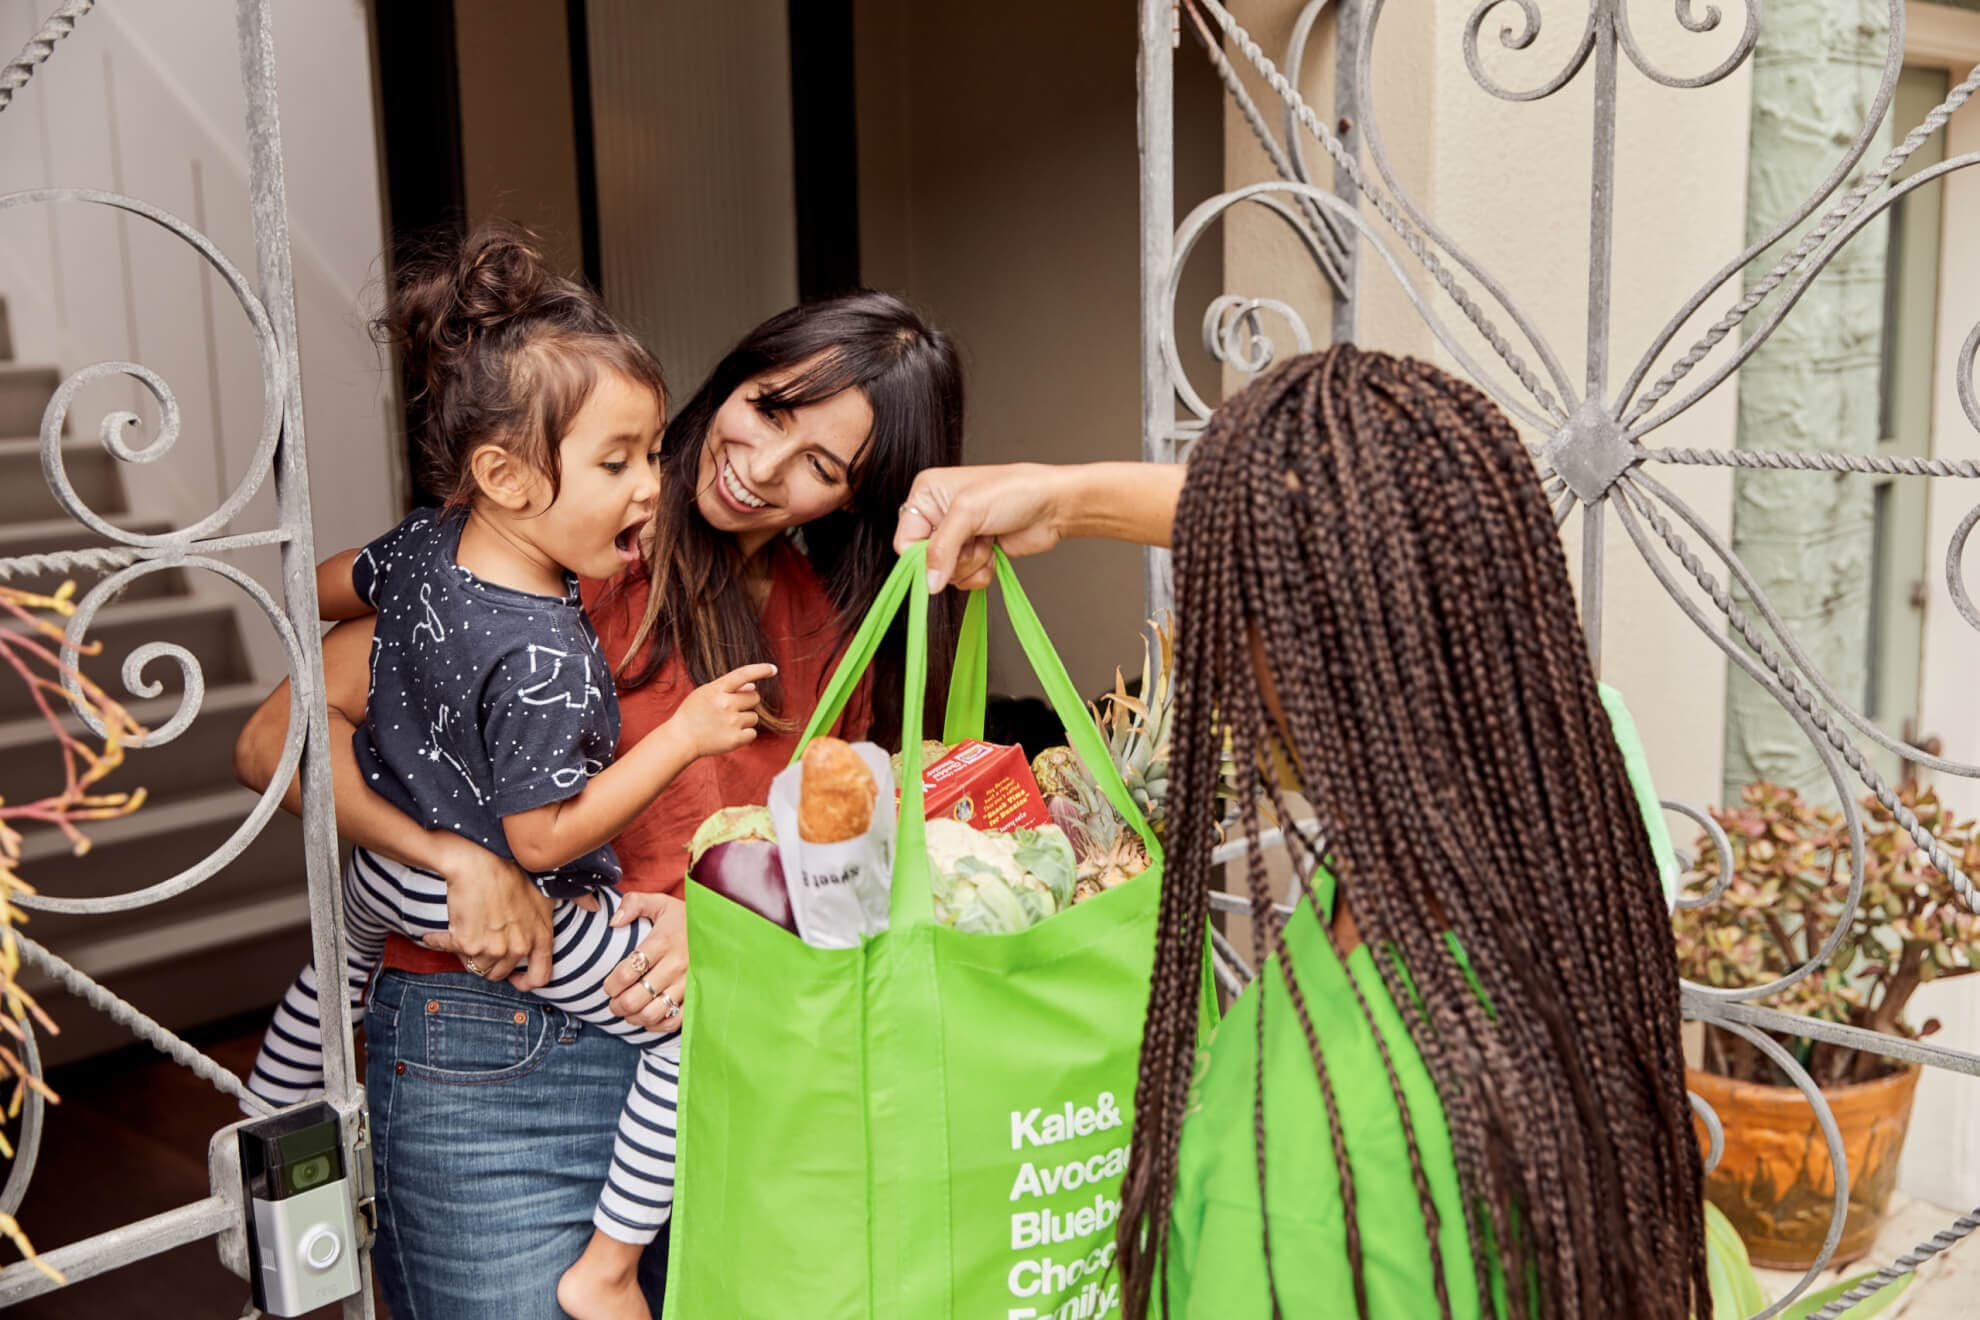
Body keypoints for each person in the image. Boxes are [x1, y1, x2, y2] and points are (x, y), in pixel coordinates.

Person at [895, 346, 1707, 1318]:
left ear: (1301, 643)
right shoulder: (1572, 811)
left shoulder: (1295, 1160)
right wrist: (1066, 499)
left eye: (1226, 593)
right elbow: (1386, 530)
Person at [236, 270, 964, 1318]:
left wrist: (724, 922)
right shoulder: (559, 547)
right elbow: (275, 740)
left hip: (715, 1084)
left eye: (820, 467)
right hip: (500, 1060)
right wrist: (465, 858)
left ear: (861, 496)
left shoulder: (825, 628)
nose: (761, 469)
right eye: (767, 412)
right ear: (735, 381)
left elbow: (832, 861)